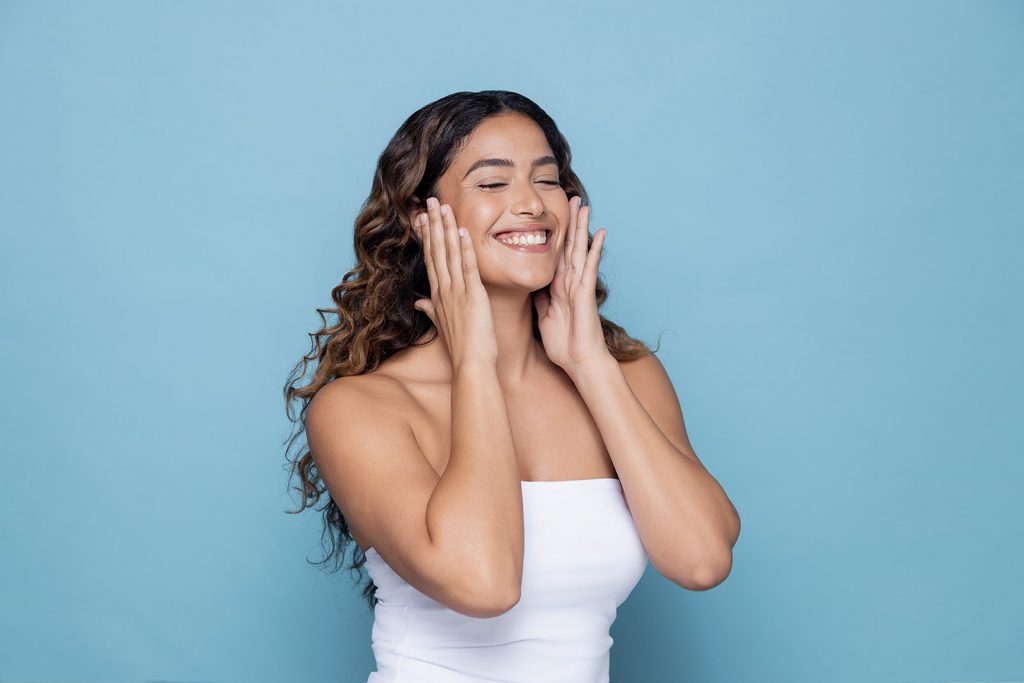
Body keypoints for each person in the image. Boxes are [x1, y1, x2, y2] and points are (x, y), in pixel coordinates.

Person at [283, 90, 741, 682]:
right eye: (492, 184)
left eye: (547, 181)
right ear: (423, 220)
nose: (530, 204)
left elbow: (702, 560)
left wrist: (590, 365)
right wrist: (475, 357)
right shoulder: (359, 407)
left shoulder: (624, 373)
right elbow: (484, 582)